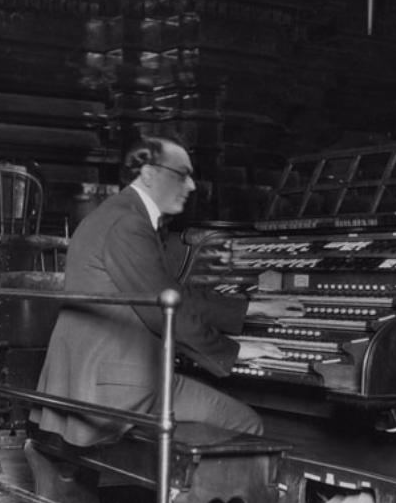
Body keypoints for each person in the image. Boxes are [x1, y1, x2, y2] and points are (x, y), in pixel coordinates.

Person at [31, 135, 303, 446]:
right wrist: (234, 351)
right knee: (244, 423)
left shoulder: (117, 213)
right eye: (182, 174)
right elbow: (165, 311)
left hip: (88, 378)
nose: (192, 186)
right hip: (116, 388)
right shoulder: (128, 224)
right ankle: (183, 481)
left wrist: (253, 307)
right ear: (149, 174)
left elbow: (171, 294)